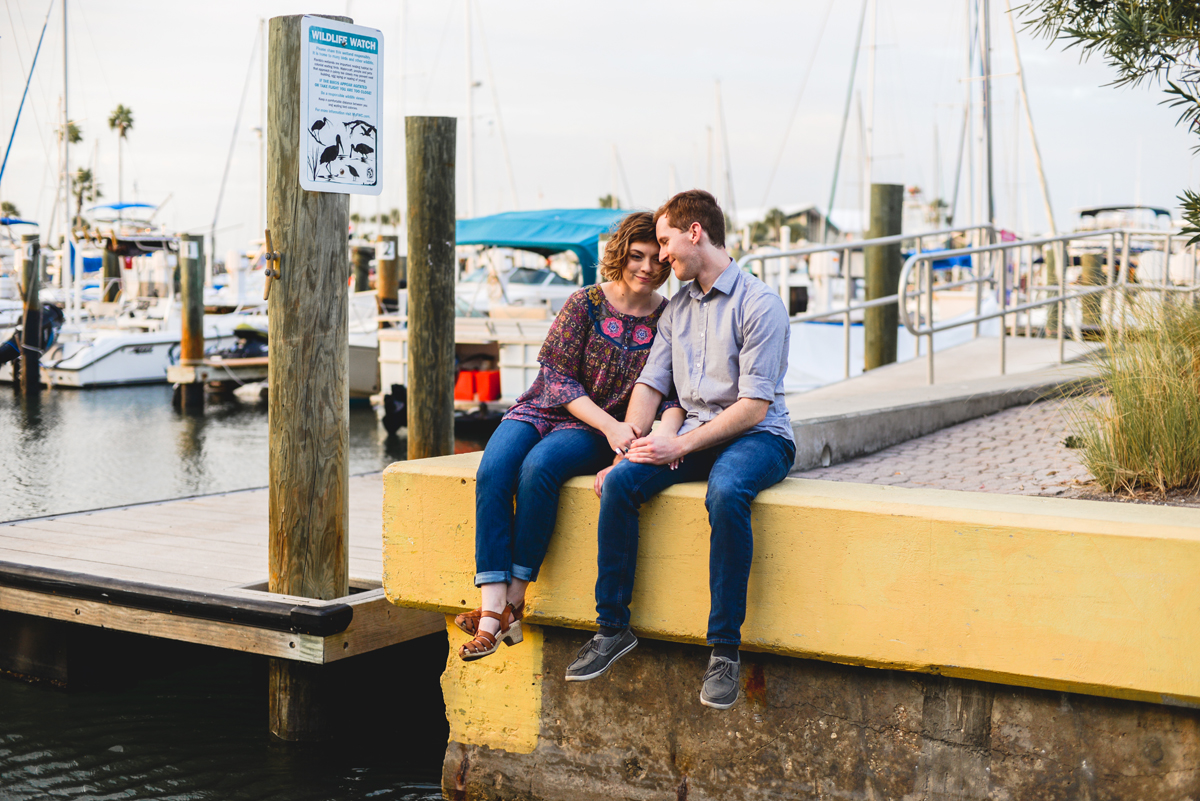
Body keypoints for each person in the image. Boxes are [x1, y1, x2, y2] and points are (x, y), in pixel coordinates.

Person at [565, 190, 795, 709]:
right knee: (622, 483)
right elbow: (651, 383)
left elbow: (754, 406)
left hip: (759, 439)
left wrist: (679, 444)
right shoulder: (678, 310)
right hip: (693, 434)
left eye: (666, 242)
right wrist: (626, 447)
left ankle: (724, 651)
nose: (662, 255)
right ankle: (612, 628)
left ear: (696, 233)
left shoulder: (760, 304)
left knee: (727, 491)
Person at [456, 211, 684, 661]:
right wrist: (611, 426)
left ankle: (506, 607)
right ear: (620, 254)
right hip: (544, 408)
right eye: (637, 256)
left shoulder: (668, 318)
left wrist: (621, 434)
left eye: (658, 260)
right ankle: (496, 607)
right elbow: (557, 378)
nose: (647, 267)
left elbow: (670, 391)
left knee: (539, 470)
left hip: (595, 429)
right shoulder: (586, 302)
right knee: (495, 470)